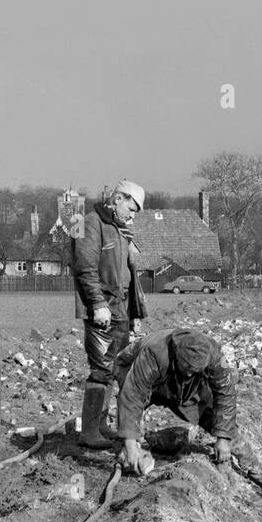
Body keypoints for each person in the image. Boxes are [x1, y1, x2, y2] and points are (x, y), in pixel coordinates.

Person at [72, 180, 147, 449]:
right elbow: (85, 267)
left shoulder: (120, 230)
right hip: (102, 309)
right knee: (101, 370)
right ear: (118, 198)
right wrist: (97, 303)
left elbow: (129, 276)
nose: (133, 214)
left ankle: (101, 426)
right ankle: (89, 431)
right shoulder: (89, 223)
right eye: (132, 207)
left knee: (116, 369)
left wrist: (135, 312)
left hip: (121, 311)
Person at [110, 328, 237, 475]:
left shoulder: (213, 355)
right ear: (177, 355)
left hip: (179, 384)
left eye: (195, 370)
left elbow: (225, 393)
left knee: (214, 418)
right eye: (187, 367)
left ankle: (255, 474)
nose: (190, 372)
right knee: (132, 418)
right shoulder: (154, 353)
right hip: (137, 371)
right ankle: (130, 450)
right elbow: (133, 394)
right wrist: (130, 444)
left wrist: (224, 437)